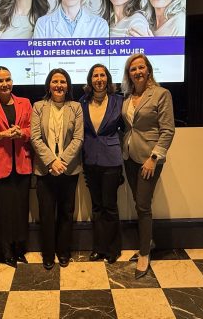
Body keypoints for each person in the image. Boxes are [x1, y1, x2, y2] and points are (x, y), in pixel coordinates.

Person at [121, 53, 175, 279]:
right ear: (128, 73)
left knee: (143, 206)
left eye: (141, 68)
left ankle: (144, 253)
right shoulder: (127, 96)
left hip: (148, 160)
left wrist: (154, 158)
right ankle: (148, 241)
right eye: (133, 69)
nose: (137, 72)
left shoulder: (161, 94)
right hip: (129, 157)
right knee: (139, 202)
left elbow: (168, 130)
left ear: (148, 69)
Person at [0, 66, 32, 268]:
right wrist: (2, 135)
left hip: (22, 163)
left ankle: (20, 249)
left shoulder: (25, 103)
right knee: (2, 211)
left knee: (20, 209)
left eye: (7, 79)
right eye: (0, 81)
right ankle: (6, 251)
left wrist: (21, 133)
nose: (5, 84)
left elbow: (31, 131)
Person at [30, 68, 83, 270]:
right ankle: (48, 253)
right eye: (55, 81)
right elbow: (35, 137)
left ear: (68, 85)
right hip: (45, 170)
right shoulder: (38, 107)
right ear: (49, 85)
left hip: (69, 170)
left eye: (62, 81)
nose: (59, 85)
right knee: (46, 213)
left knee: (66, 213)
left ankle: (63, 252)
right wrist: (52, 161)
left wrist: (62, 161)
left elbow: (78, 138)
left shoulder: (76, 107)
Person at [80, 64, 124, 264]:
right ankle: (99, 248)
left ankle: (113, 249)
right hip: (90, 159)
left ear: (108, 79)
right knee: (97, 207)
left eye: (102, 75)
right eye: (95, 76)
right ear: (90, 80)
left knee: (110, 206)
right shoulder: (82, 102)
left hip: (111, 159)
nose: (99, 79)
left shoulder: (118, 101)